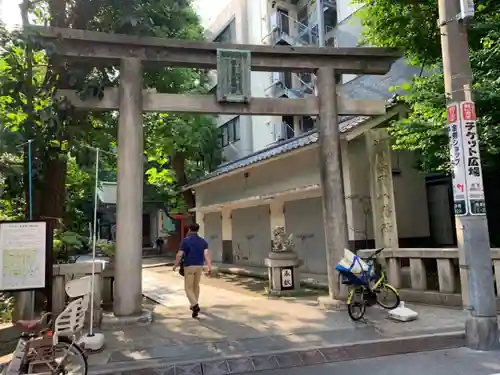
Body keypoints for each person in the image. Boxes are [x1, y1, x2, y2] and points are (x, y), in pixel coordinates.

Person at [173, 223, 212, 318]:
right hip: (199, 266)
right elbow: (206, 255)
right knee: (196, 286)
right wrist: (210, 267)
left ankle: (195, 305)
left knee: (188, 288)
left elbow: (179, 254)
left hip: (189, 266)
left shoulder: (186, 241)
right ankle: (194, 304)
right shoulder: (203, 241)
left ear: (190, 229)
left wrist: (175, 264)